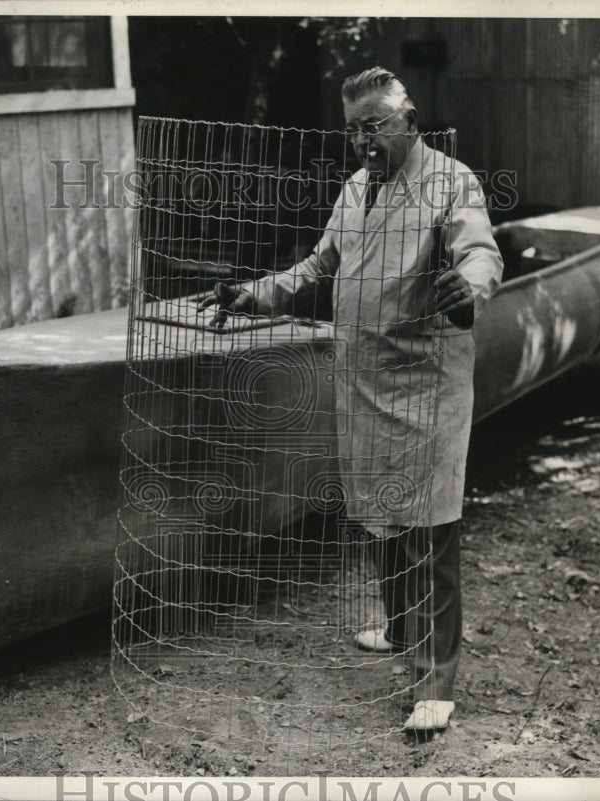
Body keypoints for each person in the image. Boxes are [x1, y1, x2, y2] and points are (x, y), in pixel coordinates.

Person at [200, 66, 503, 732]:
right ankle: (399, 629)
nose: (363, 141)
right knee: (380, 517)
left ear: (410, 119)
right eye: (352, 131)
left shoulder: (451, 182)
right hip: (364, 386)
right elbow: (318, 267)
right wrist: (253, 294)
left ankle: (435, 682)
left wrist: (468, 287)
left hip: (425, 387)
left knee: (429, 530)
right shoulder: (356, 189)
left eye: (375, 126)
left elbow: (479, 251)